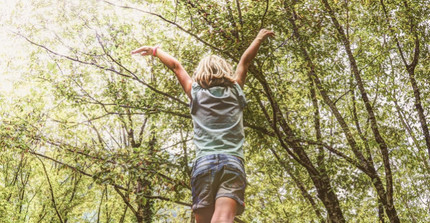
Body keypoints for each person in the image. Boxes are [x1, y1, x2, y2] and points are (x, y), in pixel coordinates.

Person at [132, 29, 274, 223]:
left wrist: (154, 51)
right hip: (232, 163)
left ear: (202, 71)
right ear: (225, 69)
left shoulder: (195, 92)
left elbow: (176, 66)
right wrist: (258, 38)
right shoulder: (235, 89)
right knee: (223, 218)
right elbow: (245, 62)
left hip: (204, 164)